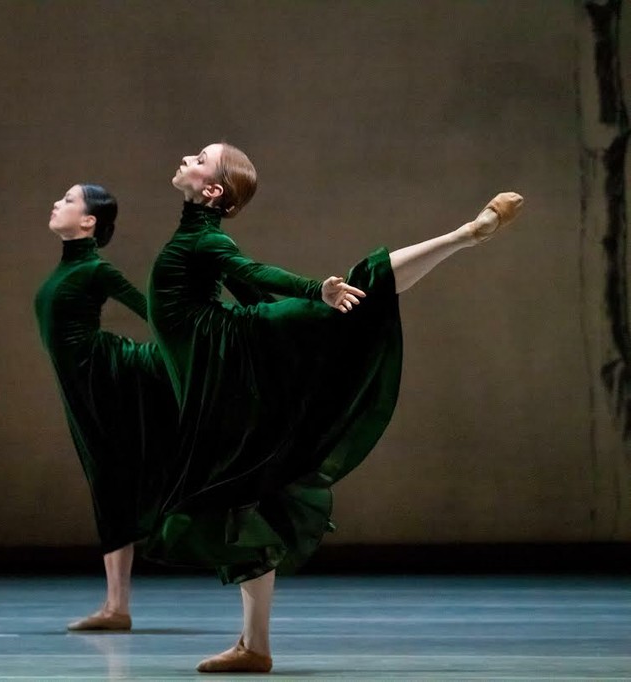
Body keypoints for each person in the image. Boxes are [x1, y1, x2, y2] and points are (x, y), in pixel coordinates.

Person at [143, 143, 523, 673]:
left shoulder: (205, 238)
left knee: (358, 293)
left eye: (201, 157)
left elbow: (251, 270)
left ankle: (463, 234)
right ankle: (255, 647)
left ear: (212, 190)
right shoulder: (196, 237)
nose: (188, 157)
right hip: (217, 368)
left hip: (229, 352)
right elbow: (244, 283)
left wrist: (310, 293)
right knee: (244, 499)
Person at [34, 183, 175, 631]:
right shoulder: (68, 268)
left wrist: (196, 340)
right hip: (81, 386)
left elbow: (151, 311)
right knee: (106, 481)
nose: (56, 202)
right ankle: (116, 607)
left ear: (89, 221)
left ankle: (117, 607)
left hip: (107, 377)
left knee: (110, 477)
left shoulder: (96, 269)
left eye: (68, 200)